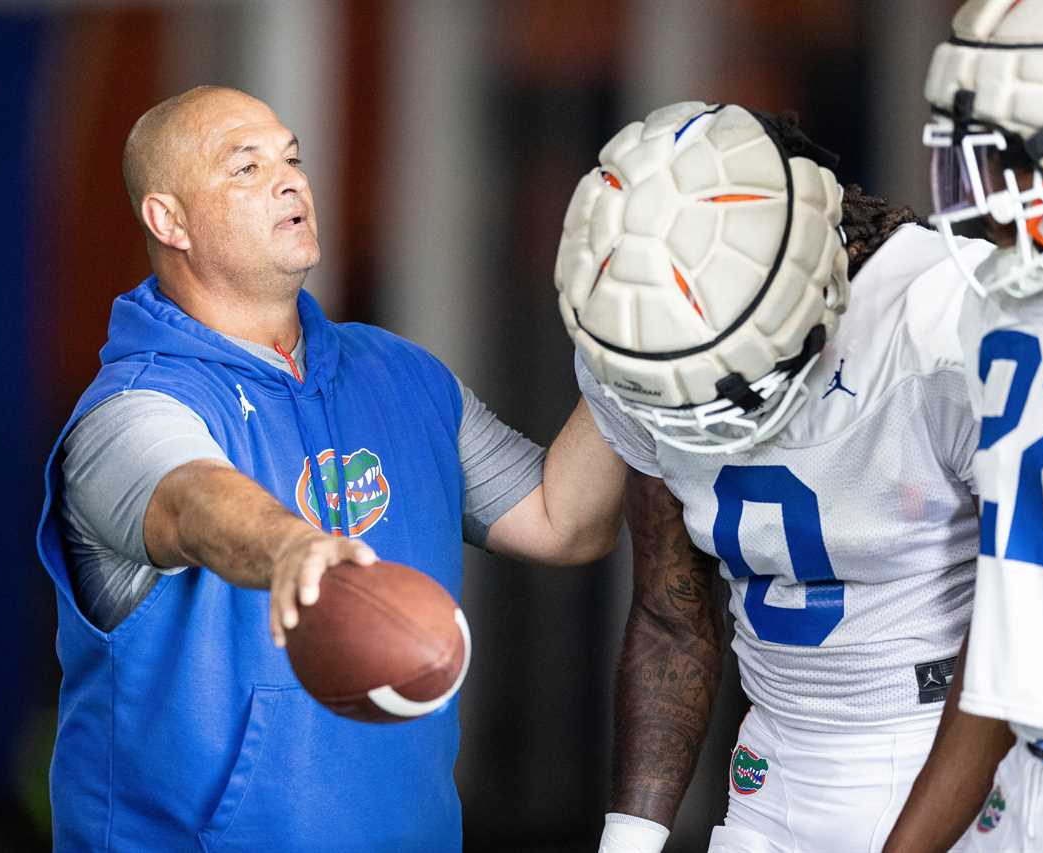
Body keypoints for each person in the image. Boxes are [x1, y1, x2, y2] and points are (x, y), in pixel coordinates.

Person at [34, 86, 626, 852]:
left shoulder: (402, 376)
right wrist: (292, 548)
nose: (289, 180)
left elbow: (565, 519)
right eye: (245, 168)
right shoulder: (130, 408)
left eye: (292, 158)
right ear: (168, 220)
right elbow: (188, 500)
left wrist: (635, 350)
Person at [554, 102, 989, 853]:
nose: (703, 411)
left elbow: (1027, 628)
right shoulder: (633, 333)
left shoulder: (951, 318)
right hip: (773, 766)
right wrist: (628, 840)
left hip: (951, 753)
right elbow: (669, 611)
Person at [883, 2, 1043, 851]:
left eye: (1002, 158)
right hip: (1022, 781)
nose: (981, 197)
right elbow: (1011, 630)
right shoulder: (1003, 312)